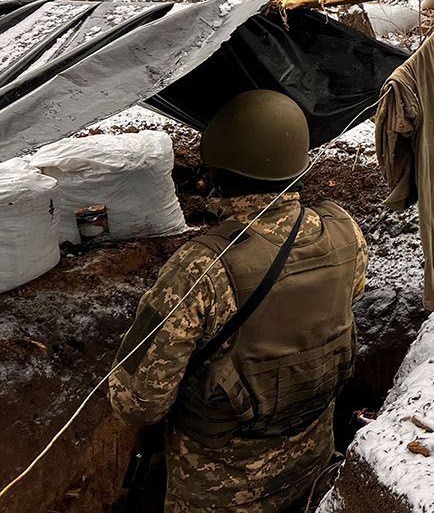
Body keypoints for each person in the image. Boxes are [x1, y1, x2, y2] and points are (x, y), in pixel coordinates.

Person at [109, 90, 367, 513]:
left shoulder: (200, 267)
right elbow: (345, 302)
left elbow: (138, 401)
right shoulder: (344, 230)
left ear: (220, 172)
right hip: (313, 462)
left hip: (219, 488)